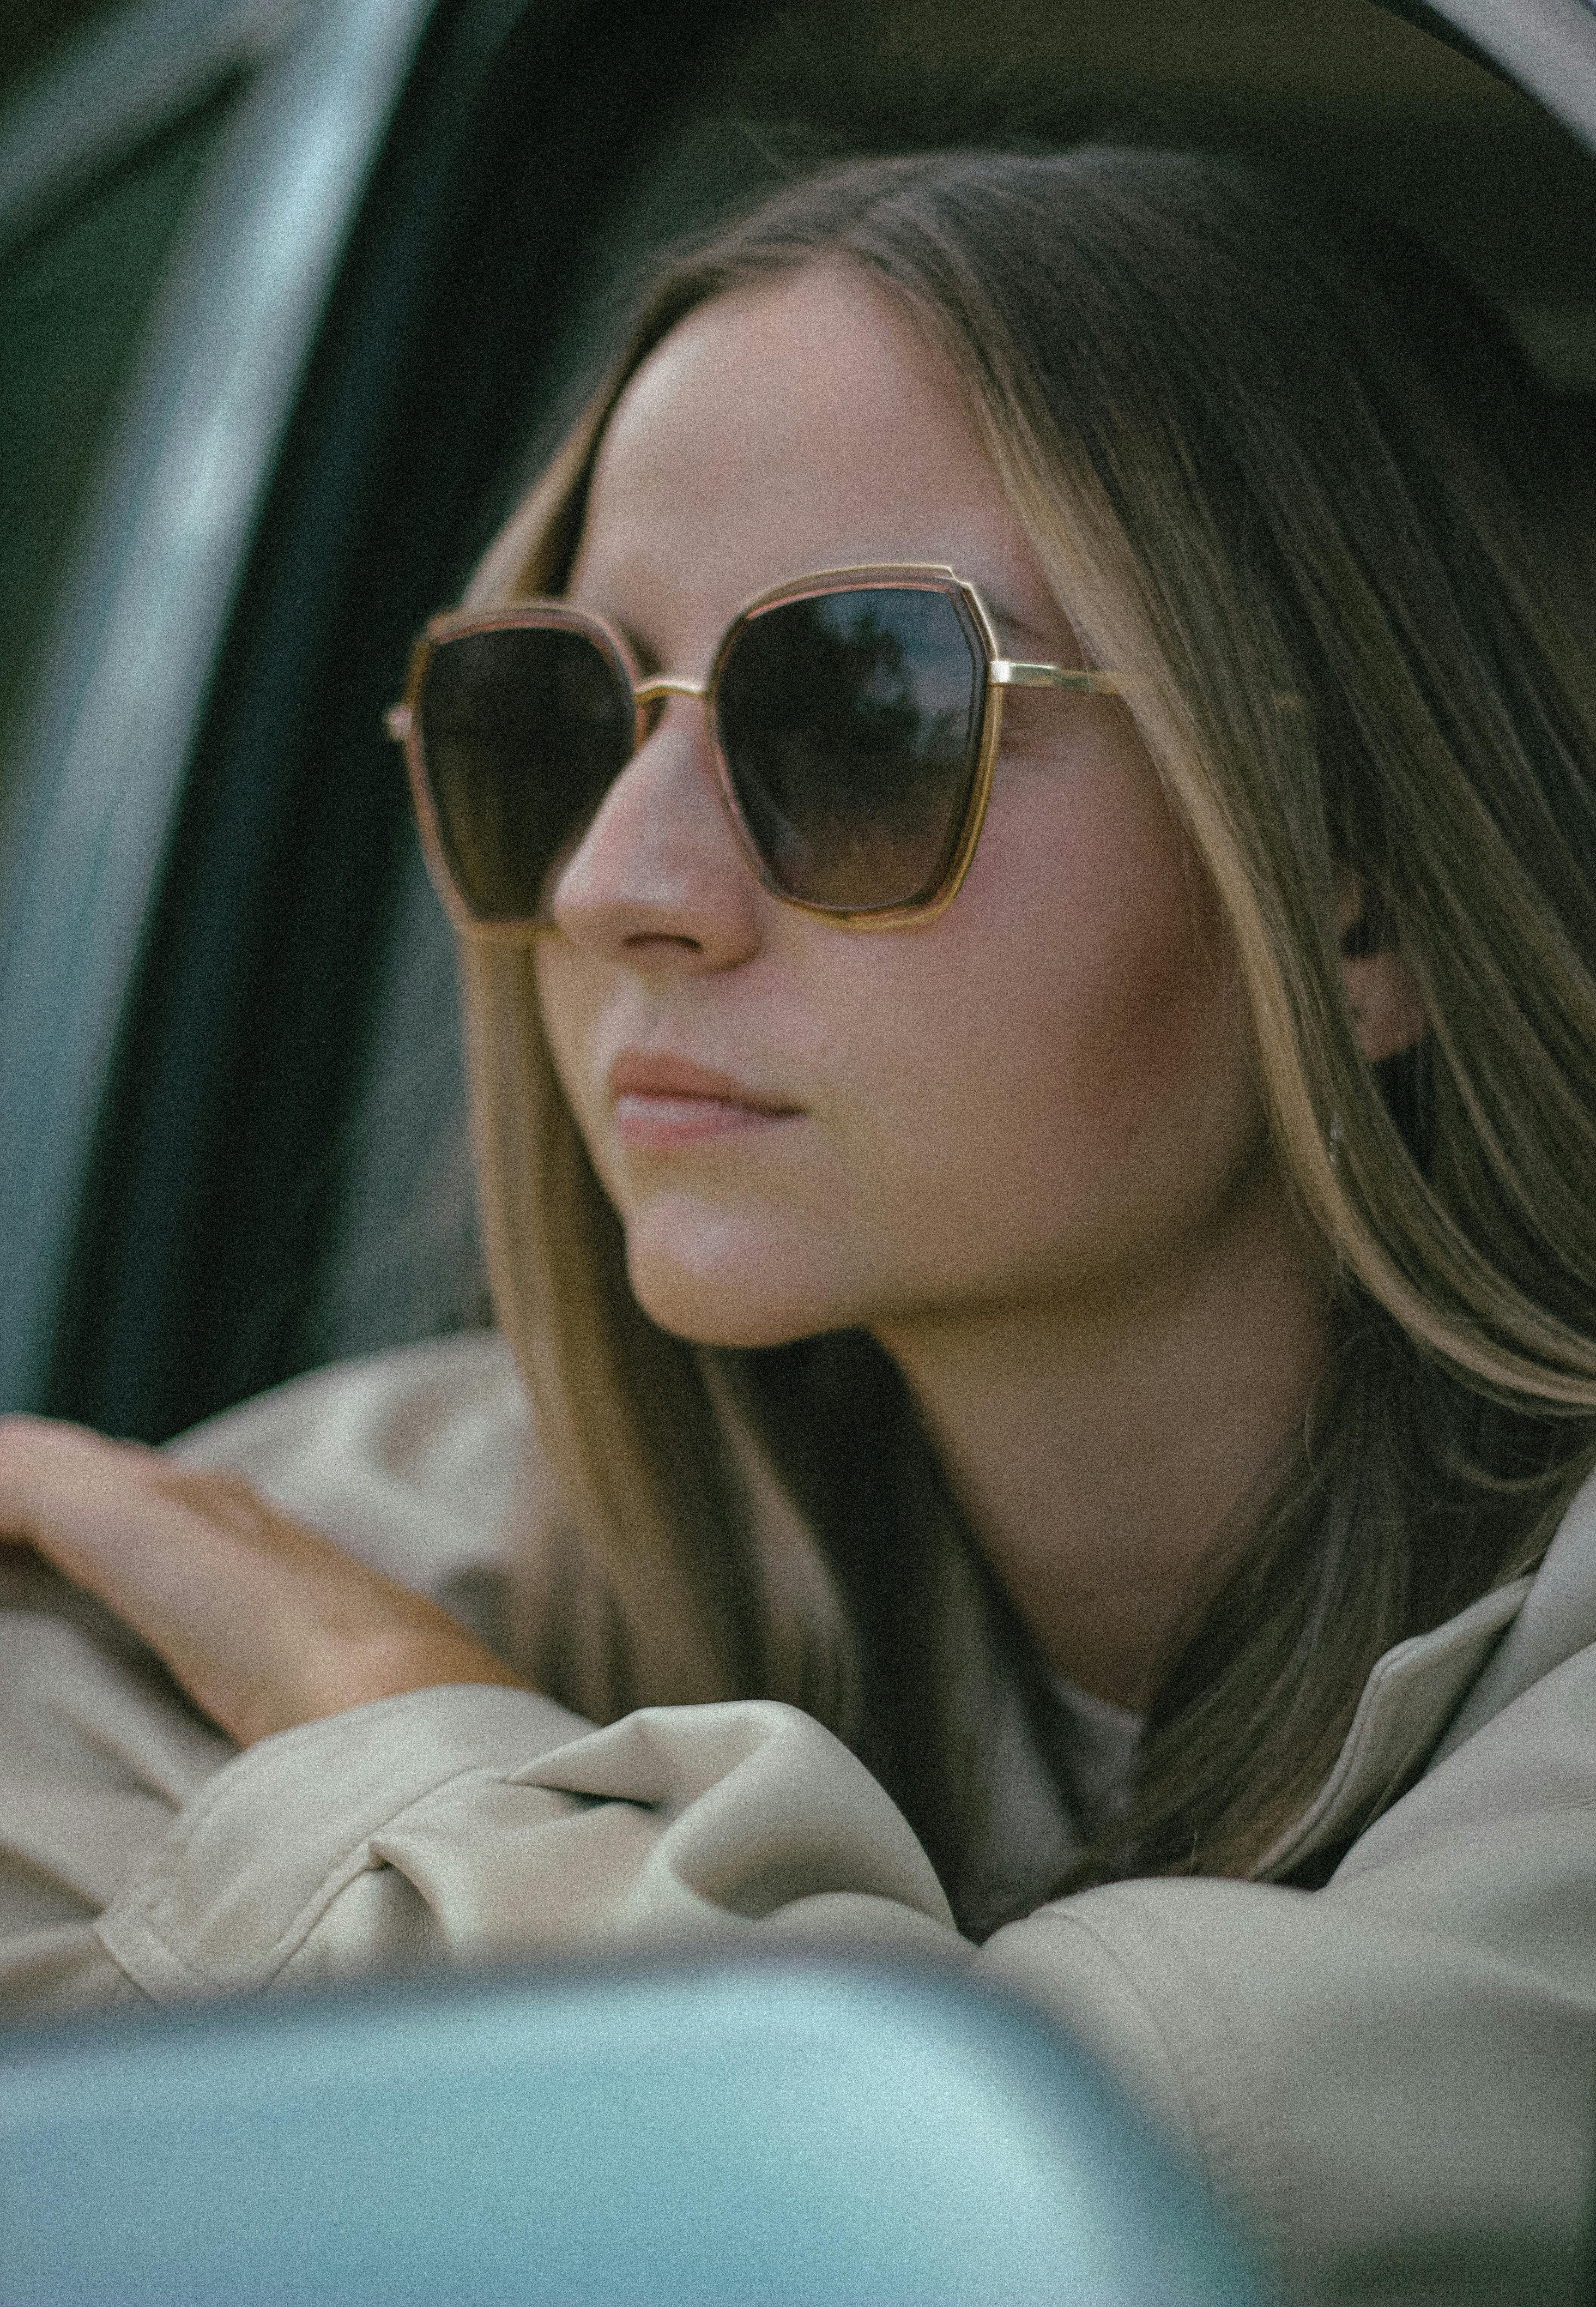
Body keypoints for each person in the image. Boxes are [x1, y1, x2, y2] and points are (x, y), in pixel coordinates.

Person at [2, 146, 1594, 2301]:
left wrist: (381, 1716)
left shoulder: (314, 1611)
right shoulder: (373, 1508)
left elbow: (960, 2227)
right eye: (551, 722)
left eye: (856, 712)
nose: (613, 884)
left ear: (1364, 883)